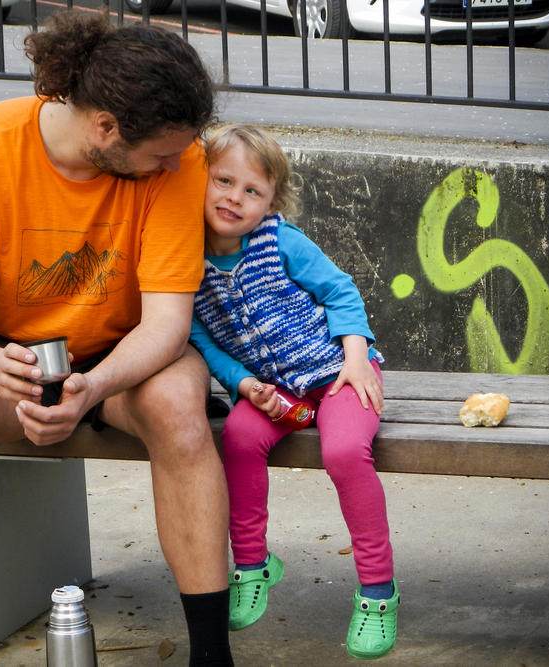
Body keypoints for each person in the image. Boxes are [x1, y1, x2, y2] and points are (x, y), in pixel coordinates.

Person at [0, 10, 234, 667]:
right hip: (12, 356)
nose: (179, 163)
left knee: (176, 408)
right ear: (106, 129)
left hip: (126, 360)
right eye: (162, 153)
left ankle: (212, 655)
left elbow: (166, 323)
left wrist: (94, 385)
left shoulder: (181, 157)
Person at [189, 124, 399, 660]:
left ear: (271, 202)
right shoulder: (185, 258)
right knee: (236, 437)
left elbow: (341, 291)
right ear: (199, 179)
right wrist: (243, 384)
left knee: (345, 452)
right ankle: (253, 564)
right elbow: (200, 338)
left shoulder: (280, 241)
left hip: (338, 374)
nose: (235, 197)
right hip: (271, 392)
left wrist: (355, 357)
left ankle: (378, 591)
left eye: (252, 190)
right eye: (223, 181)